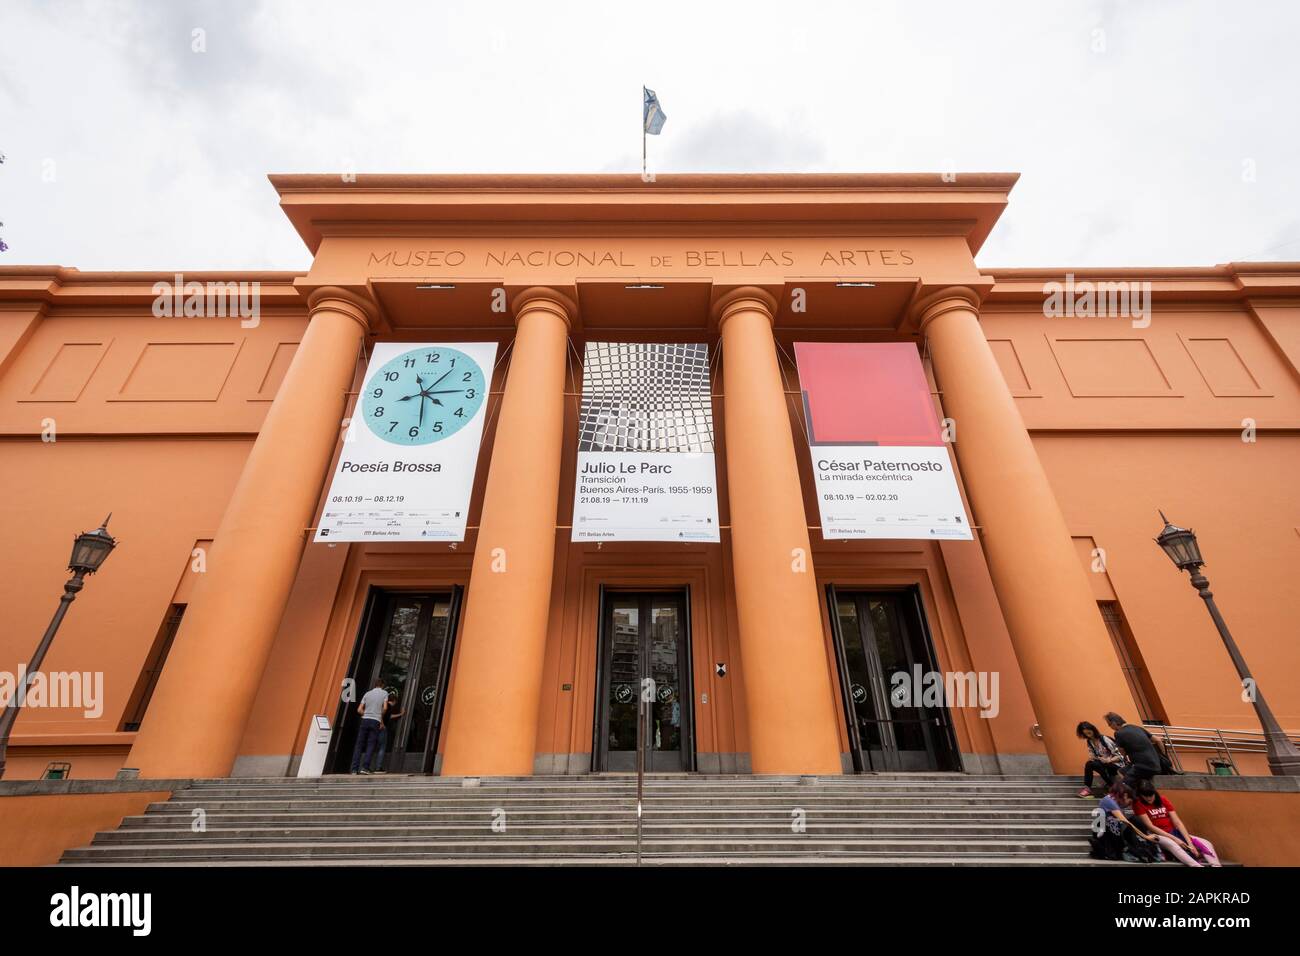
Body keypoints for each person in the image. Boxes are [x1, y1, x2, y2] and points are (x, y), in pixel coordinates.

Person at [1132, 779, 1222, 867]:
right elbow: (1150, 826)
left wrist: (1190, 843)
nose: (1149, 798)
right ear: (1140, 795)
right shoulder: (1138, 804)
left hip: (1174, 832)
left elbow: (1177, 822)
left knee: (1206, 843)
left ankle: (1216, 866)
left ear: (1154, 792)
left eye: (1151, 795)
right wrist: (1175, 839)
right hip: (1157, 836)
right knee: (1172, 844)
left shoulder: (1163, 800)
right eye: (1145, 795)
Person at [1090, 780, 1163, 863]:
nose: (1129, 805)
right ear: (1125, 795)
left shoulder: (1114, 798)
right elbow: (1125, 822)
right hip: (1105, 835)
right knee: (1133, 822)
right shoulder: (1110, 802)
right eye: (1130, 802)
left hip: (1111, 831)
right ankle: (1140, 850)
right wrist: (1145, 837)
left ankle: (1147, 850)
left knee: (1135, 820)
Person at [1105, 712, 1162, 789]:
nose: (1110, 727)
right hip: (1156, 764)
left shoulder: (1118, 733)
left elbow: (1122, 752)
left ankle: (1135, 795)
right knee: (1121, 771)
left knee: (1124, 784)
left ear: (1114, 723)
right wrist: (1163, 755)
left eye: (1109, 724)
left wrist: (1125, 757)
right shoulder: (1138, 728)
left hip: (1142, 767)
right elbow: (1158, 740)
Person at [1076, 721, 1127, 797]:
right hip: (1104, 764)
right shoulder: (1089, 742)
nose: (1088, 735)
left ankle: (1112, 787)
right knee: (1089, 764)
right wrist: (1093, 758)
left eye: (1089, 733)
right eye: (1085, 734)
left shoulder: (1104, 739)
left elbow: (1121, 756)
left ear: (1093, 730)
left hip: (1116, 765)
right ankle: (1087, 788)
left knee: (1098, 764)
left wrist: (1109, 760)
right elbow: (1094, 755)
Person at [349, 678, 389, 775]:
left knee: (359, 745)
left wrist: (367, 713)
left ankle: (354, 769)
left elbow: (359, 710)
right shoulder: (384, 693)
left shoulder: (367, 694)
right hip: (375, 721)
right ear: (382, 685)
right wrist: (379, 716)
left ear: (375, 685)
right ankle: (365, 767)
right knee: (370, 744)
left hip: (365, 720)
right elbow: (385, 708)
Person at [373, 690, 405, 774]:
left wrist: (400, 714)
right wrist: (382, 724)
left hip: (375, 726)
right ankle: (378, 767)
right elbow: (383, 715)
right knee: (382, 747)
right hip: (382, 728)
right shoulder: (388, 706)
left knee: (375, 745)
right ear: (394, 701)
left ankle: (370, 766)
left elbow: (389, 716)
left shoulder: (385, 705)